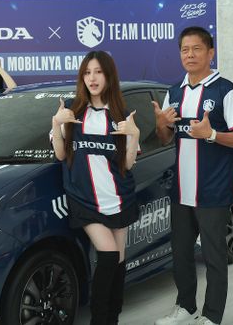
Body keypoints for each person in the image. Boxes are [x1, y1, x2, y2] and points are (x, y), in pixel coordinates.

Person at [153, 27, 233, 325]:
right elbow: (164, 138)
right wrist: (161, 124)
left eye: (197, 49)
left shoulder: (226, 90)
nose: (190, 55)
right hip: (182, 190)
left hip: (213, 190)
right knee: (181, 254)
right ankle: (186, 307)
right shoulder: (174, 92)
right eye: (185, 49)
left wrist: (211, 134)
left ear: (210, 53)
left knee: (213, 257)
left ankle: (212, 315)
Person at [50, 51, 140, 325]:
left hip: (118, 197)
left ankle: (112, 319)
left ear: (109, 76)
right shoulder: (72, 111)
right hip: (85, 199)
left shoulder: (121, 114)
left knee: (119, 261)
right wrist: (56, 122)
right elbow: (61, 155)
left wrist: (134, 134)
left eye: (98, 72)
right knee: (109, 255)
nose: (92, 78)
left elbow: (127, 163)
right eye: (87, 72)